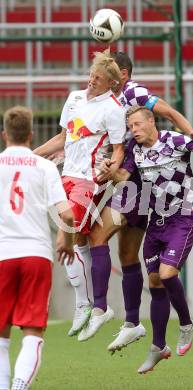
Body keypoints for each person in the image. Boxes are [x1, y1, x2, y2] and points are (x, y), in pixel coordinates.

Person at [100, 105, 193, 373]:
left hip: (184, 217)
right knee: (154, 281)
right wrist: (111, 172)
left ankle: (186, 324)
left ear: (151, 121)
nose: (134, 130)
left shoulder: (173, 139)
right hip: (157, 221)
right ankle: (158, 347)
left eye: (137, 125)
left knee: (167, 274)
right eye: (130, 127)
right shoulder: (137, 151)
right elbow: (126, 180)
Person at [33, 50, 127, 340]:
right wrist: (31, 156)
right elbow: (63, 138)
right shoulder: (74, 98)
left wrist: (114, 166)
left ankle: (90, 306)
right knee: (81, 239)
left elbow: (119, 148)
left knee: (68, 228)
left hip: (91, 180)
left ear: (111, 83)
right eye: (90, 76)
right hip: (67, 177)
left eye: (97, 79)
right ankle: (91, 306)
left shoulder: (113, 108)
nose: (91, 82)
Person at [0, 106, 74, 390]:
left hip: (2, 255)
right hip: (35, 255)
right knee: (32, 331)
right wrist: (65, 241)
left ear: (5, 134)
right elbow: (67, 215)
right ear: (31, 135)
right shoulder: (44, 167)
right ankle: (20, 386)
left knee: (1, 337)